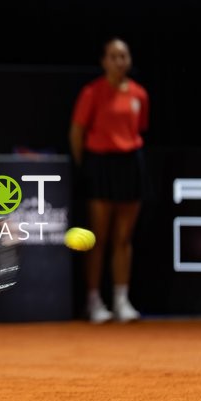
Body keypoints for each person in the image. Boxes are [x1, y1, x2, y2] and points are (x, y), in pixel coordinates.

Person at [69, 37, 149, 324]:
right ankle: (93, 301)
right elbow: (77, 134)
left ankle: (121, 300)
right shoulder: (92, 93)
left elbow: (138, 129)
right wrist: (86, 166)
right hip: (100, 165)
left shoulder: (139, 94)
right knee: (98, 238)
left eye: (124, 56)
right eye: (114, 56)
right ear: (104, 61)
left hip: (130, 165)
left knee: (124, 238)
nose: (119, 61)